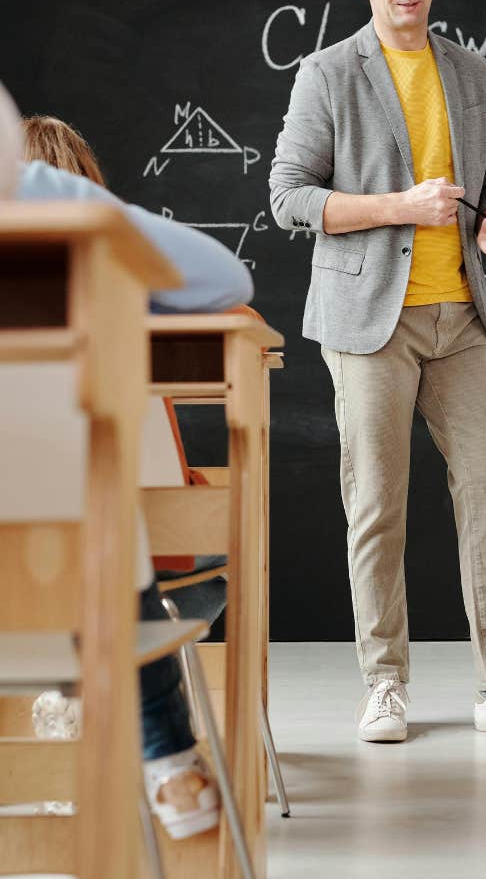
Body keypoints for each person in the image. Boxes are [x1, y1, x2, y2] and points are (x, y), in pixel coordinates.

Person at [270, 0, 486, 742]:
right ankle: (384, 681)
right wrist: (396, 208)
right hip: (367, 319)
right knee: (376, 504)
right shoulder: (327, 73)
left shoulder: (471, 70)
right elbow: (289, 198)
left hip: (462, 318)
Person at [0, 87, 253, 838]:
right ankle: (166, 754)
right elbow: (225, 280)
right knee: (100, 514)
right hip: (95, 572)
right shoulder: (48, 211)